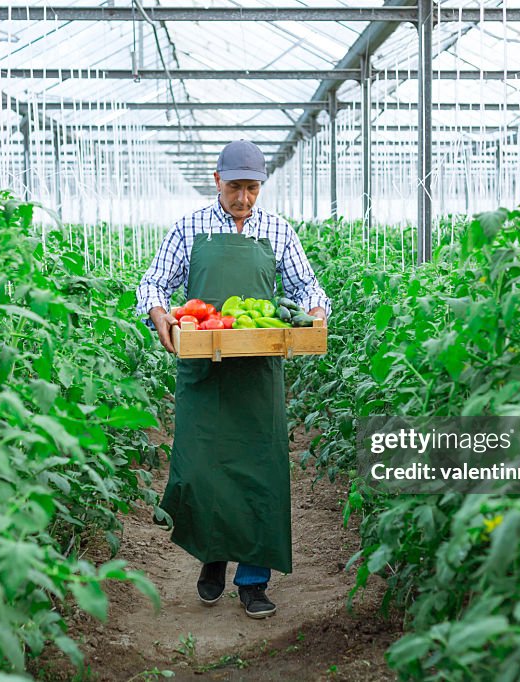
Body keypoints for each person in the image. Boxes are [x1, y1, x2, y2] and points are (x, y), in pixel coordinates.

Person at [135, 139, 331, 619]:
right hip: (203, 368)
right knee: (204, 469)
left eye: (253, 188)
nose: (244, 198)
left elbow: (307, 286)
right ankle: (212, 561)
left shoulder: (277, 230)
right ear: (217, 180)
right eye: (236, 187)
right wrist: (160, 314)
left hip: (258, 373)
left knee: (259, 472)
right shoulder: (189, 227)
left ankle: (253, 581)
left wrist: (317, 311)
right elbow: (153, 283)